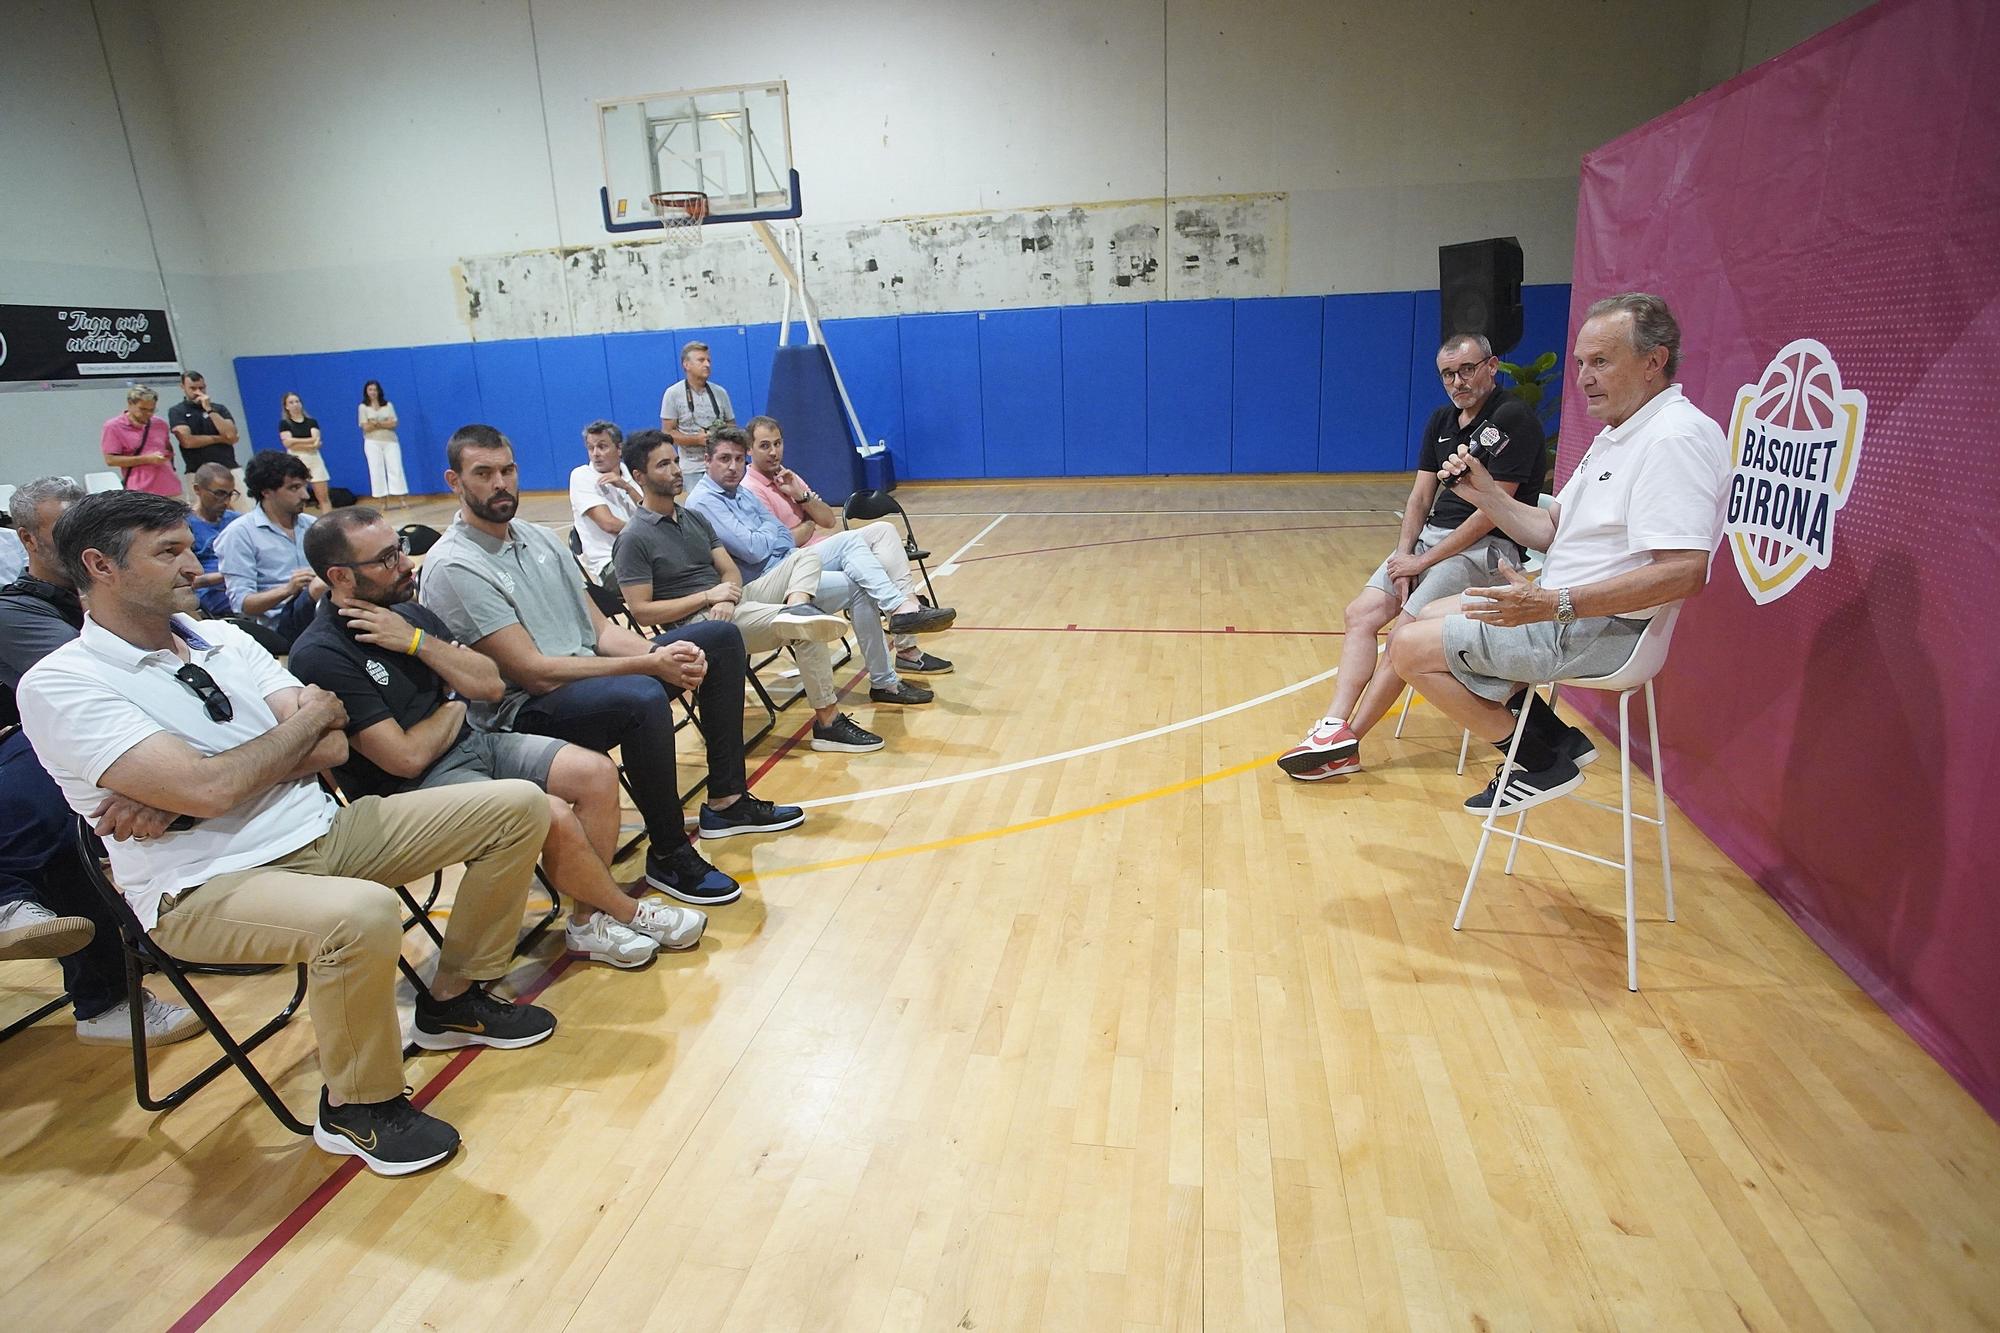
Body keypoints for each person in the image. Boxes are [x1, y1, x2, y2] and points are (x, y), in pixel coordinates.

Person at [19, 488, 561, 1176]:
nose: (195, 565)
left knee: (515, 804)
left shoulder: (226, 638)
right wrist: (257, 753)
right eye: (169, 552)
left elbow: (331, 747)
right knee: (359, 913)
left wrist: (214, 776)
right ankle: (357, 1107)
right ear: (100, 565)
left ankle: (453, 999)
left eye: (190, 545)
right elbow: (221, 779)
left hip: (323, 831)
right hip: (205, 886)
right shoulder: (62, 681)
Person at [292, 506, 706, 968]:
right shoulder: (321, 654)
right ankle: (627, 910)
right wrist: (454, 697)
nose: (407, 563)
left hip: (474, 744)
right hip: (411, 794)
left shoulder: (407, 612)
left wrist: (416, 643)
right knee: (546, 811)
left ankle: (588, 925)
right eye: (387, 558)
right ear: (340, 577)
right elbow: (405, 758)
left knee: (594, 773)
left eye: (400, 549)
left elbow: (487, 685)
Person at [418, 425, 806, 905]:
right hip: (526, 710)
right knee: (641, 697)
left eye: (507, 470)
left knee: (720, 638)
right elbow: (534, 671)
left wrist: (658, 656)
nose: (500, 483)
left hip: (586, 679)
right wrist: (649, 666)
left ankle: (726, 802)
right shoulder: (455, 566)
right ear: (454, 481)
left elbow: (601, 632)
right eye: (483, 473)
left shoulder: (541, 539)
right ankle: (668, 853)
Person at [1387, 293, 1731, 815]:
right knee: (1428, 614)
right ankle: (1561, 742)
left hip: (1600, 629)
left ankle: (1540, 760)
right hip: (1562, 607)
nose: (1584, 377)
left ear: (1653, 362)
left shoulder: (1673, 439)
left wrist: (1555, 603)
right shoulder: (1618, 434)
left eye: (1601, 362)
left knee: (1408, 647)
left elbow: (1685, 572)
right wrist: (1486, 494)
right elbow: (1550, 529)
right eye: (1580, 364)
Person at [1279, 333, 1548, 780]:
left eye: (1467, 369)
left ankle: (1347, 746)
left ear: (1491, 366)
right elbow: (1421, 496)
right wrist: (1405, 555)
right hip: (1428, 543)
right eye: (1448, 374)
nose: (1458, 381)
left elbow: (1491, 510)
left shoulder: (1511, 418)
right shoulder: (1442, 420)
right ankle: (1333, 723)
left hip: (1485, 549)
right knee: (1361, 613)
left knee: (1403, 635)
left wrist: (1422, 564)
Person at [0, 476, 201, 1044]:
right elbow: (98, 702)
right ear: (29, 541)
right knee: (56, 771)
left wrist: (166, 785)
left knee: (79, 808)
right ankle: (9, 897)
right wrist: (167, 784)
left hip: (99, 769)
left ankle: (107, 992)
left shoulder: (140, 595)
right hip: (33, 763)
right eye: (63, 529)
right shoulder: (16, 614)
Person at [616, 430, 886, 755]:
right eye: (663, 465)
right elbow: (642, 611)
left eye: (675, 461)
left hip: (732, 601)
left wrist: (726, 595)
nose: (675, 471)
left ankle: (798, 607)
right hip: (698, 625)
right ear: (639, 476)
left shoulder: (692, 518)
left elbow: (728, 569)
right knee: (806, 628)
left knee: (806, 557)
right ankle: (828, 722)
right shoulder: (634, 537)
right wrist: (708, 598)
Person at [688, 426, 949, 708]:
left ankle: (885, 679)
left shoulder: (742, 492)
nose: (734, 466)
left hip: (793, 563)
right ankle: (900, 609)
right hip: (761, 585)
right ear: (706, 460)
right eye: (725, 459)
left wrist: (797, 502)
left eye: (739, 459)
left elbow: (805, 526)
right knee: (849, 545)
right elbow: (754, 549)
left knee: (864, 574)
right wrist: (777, 534)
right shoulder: (706, 500)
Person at [743, 414, 955, 678]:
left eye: (778, 443)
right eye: (765, 446)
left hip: (823, 551)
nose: (774, 452)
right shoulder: (750, 489)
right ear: (749, 449)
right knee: (853, 551)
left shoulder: (787, 476)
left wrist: (801, 496)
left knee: (884, 531)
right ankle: (898, 625)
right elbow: (779, 545)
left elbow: (827, 519)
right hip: (794, 566)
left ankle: (907, 620)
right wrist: (807, 525)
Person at [215, 450, 324, 649]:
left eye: (304, 486)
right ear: (266, 491)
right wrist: (288, 589)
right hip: (281, 625)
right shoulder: (239, 534)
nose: (305, 495)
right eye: (294, 488)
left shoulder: (311, 525)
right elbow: (242, 605)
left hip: (322, 613)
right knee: (318, 587)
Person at [568, 419, 641, 584]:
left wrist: (628, 488)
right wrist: (651, 534)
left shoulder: (631, 473)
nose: (595, 454)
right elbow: (609, 524)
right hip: (611, 564)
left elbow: (653, 512)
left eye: (602, 447)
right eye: (591, 448)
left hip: (645, 554)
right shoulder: (582, 475)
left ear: (619, 448)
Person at [659, 340, 735, 482]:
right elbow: (667, 433)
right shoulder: (673, 394)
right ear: (686, 365)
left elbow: (732, 427)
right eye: (701, 360)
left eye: (708, 360)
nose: (707, 364)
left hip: (722, 465)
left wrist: (719, 436)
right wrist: (696, 440)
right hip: (691, 469)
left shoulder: (720, 392)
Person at [168, 370, 241, 498]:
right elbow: (188, 441)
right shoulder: (177, 411)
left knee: (246, 509)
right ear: (182, 387)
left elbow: (231, 436)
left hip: (228, 467)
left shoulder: (219, 409)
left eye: (201, 388)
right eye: (193, 388)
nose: (198, 392)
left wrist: (209, 409)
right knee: (204, 514)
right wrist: (219, 438)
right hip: (197, 471)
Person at [100, 385, 181, 498]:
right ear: (130, 404)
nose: (148, 414)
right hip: (141, 491)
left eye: (152, 410)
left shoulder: (160, 424)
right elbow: (111, 460)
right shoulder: (113, 427)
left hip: (170, 487)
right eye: (143, 409)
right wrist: (147, 459)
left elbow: (168, 448)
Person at [184, 463, 241, 618]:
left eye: (230, 494)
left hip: (242, 586)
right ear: (197, 490)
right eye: (219, 494)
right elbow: (187, 580)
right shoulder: (183, 526)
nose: (225, 501)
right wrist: (231, 574)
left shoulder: (237, 521)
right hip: (211, 597)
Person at [277, 392, 332, 512]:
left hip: (314, 459)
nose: (295, 404)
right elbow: (287, 443)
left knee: (323, 497)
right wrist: (308, 442)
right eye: (291, 402)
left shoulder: (311, 422)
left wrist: (295, 441)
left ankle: (329, 525)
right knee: (298, 498)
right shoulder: (284, 424)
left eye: (297, 401)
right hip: (296, 460)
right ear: (286, 406)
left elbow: (315, 442)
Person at [359, 380, 409, 508]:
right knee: (376, 469)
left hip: (390, 441)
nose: (373, 392)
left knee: (395, 468)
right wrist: (383, 422)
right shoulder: (363, 407)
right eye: (370, 390)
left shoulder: (388, 405)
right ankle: (382, 502)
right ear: (366, 392)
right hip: (372, 442)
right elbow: (365, 427)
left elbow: (394, 423)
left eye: (375, 389)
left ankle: (401, 499)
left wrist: (376, 422)